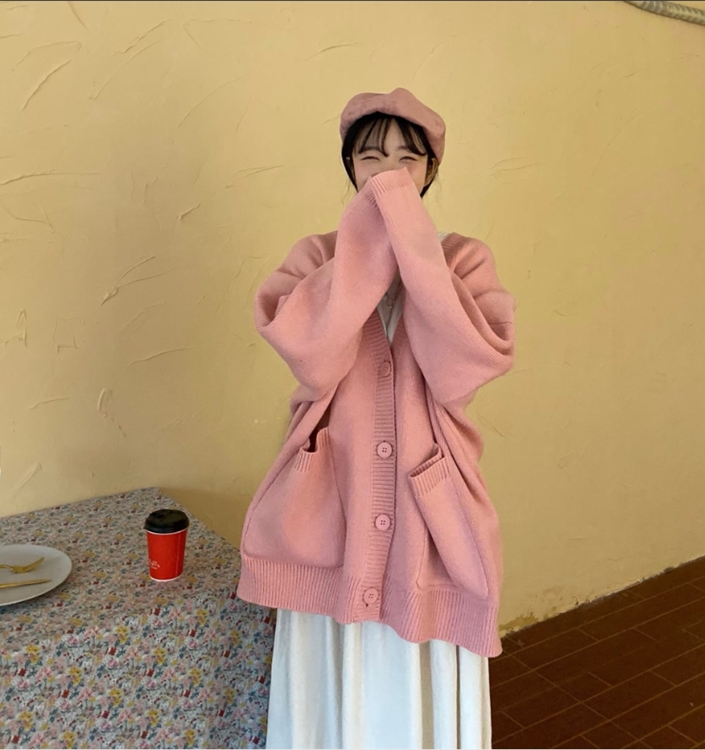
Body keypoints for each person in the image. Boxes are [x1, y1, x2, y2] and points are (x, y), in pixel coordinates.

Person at [237, 88, 516, 750]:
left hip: (429, 510)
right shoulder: (317, 257)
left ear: (431, 170)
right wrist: (365, 248)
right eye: (370, 158)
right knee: (335, 680)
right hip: (331, 506)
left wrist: (413, 247)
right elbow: (314, 360)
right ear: (348, 168)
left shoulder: (463, 259)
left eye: (406, 159)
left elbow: (461, 369)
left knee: (413, 673)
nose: (388, 173)